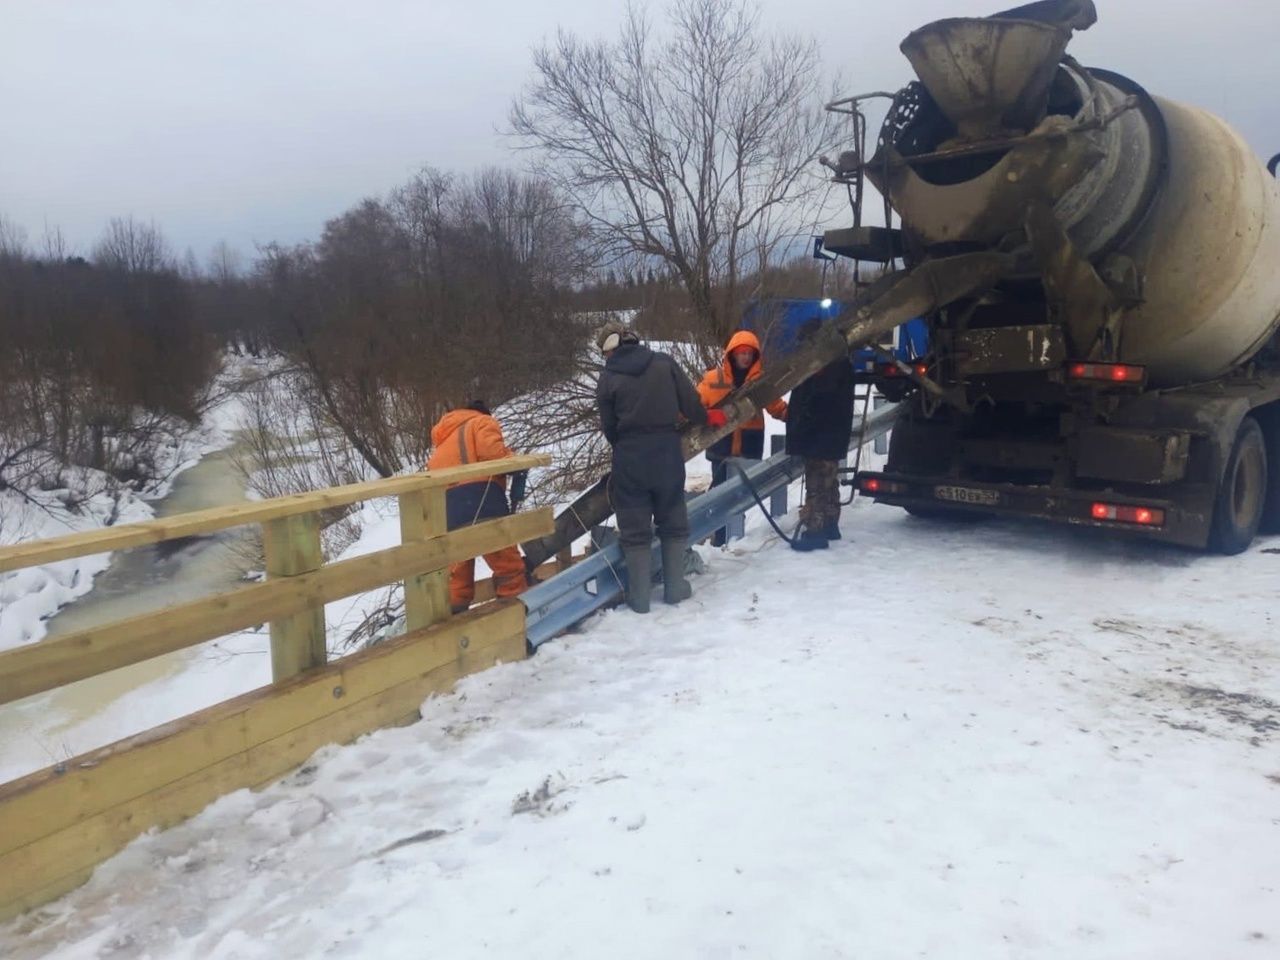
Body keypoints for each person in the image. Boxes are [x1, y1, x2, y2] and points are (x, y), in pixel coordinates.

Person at [595, 321, 707, 613]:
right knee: (672, 518)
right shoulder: (663, 363)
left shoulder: (607, 379)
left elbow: (610, 429)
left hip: (630, 457)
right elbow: (693, 405)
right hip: (667, 451)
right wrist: (705, 418)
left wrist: (628, 443)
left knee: (634, 527)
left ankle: (640, 599)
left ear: (609, 349)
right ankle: (675, 589)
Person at [425, 400, 530, 613]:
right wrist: (515, 460)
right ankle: (515, 619)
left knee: (457, 577)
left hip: (448, 510)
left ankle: (453, 626)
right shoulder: (482, 421)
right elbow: (492, 453)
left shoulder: (443, 442)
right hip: (482, 500)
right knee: (507, 566)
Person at [697, 329, 788, 545]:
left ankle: (733, 538)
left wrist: (795, 418)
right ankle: (719, 539)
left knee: (740, 496)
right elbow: (694, 405)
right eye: (741, 353)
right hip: (721, 447)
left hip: (749, 445)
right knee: (719, 494)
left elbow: (777, 407)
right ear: (732, 354)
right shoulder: (713, 379)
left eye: (750, 353)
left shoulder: (760, 382)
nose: (745, 357)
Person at [785, 319, 856, 551]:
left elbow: (814, 402)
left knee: (817, 484)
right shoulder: (840, 364)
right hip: (831, 435)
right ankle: (830, 524)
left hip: (819, 436)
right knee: (829, 481)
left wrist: (802, 425)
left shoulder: (823, 369)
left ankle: (815, 531)